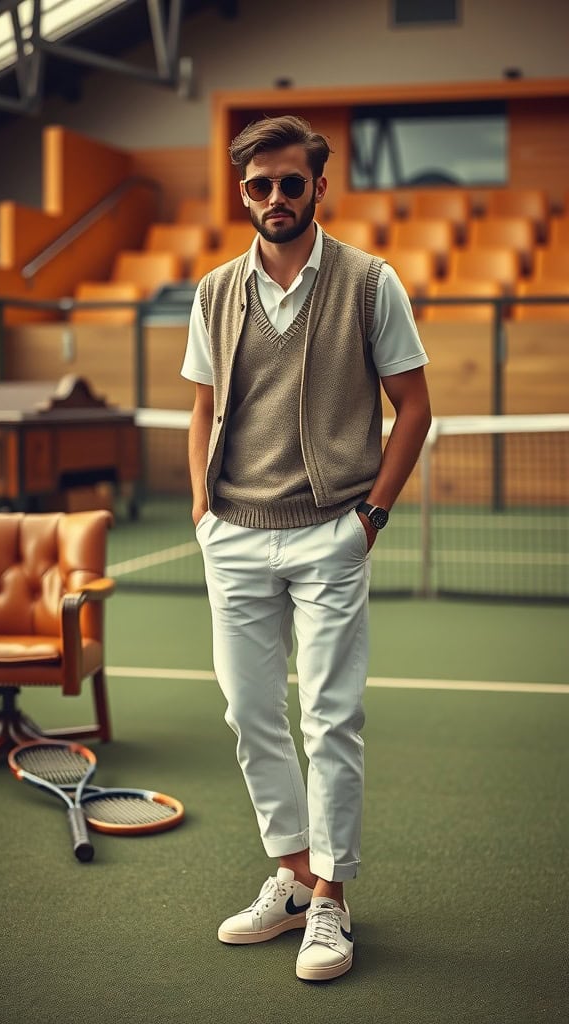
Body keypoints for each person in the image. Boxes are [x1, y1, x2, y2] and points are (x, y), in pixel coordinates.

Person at [181, 115, 431, 982]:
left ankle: (331, 898)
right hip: (235, 537)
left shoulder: (370, 284)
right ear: (242, 192)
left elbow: (416, 408)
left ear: (320, 187)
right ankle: (289, 879)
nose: (277, 198)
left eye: (292, 183)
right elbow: (202, 408)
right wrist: (202, 510)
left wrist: (372, 518)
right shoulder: (214, 291)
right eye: (261, 185)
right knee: (250, 717)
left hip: (331, 532)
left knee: (330, 720)